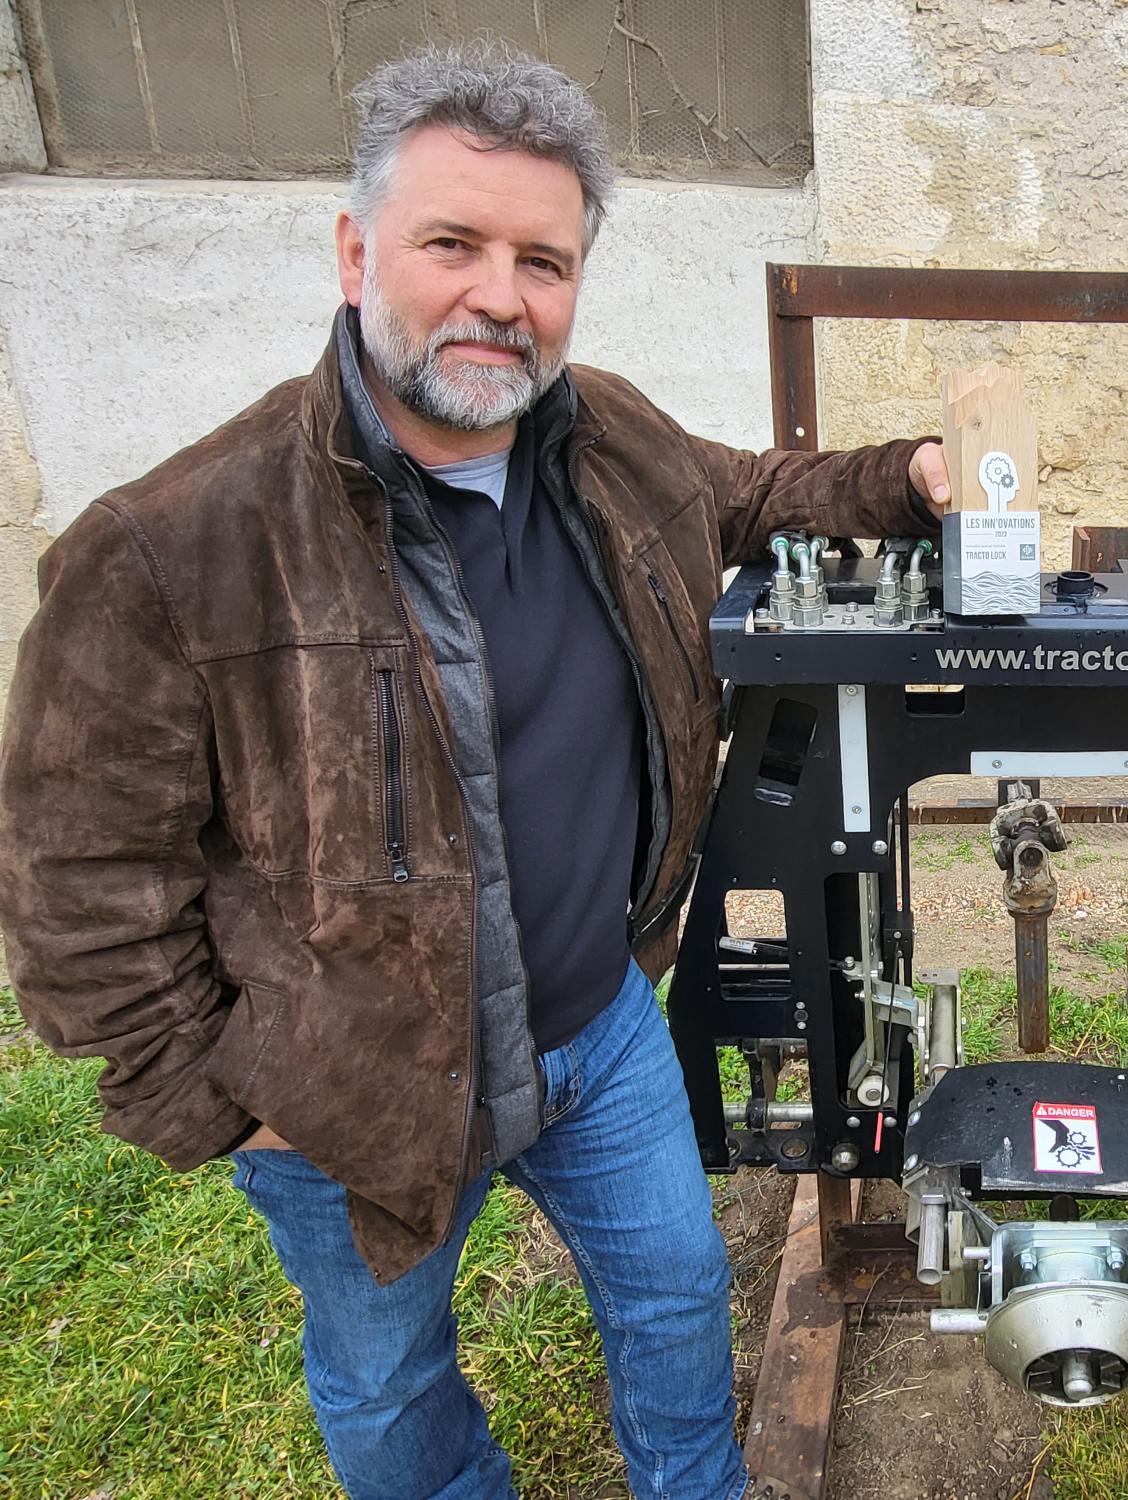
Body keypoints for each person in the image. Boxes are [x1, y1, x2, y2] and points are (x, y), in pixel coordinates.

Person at [0, 43, 949, 1500]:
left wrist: (910, 477)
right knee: (388, 1382)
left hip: (601, 1029)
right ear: (355, 248)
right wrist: (225, 1098)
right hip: (347, 1091)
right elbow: (75, 885)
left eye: (543, 260)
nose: (501, 296)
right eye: (454, 243)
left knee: (677, 1300)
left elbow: (750, 493)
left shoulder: (604, 438)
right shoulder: (170, 548)